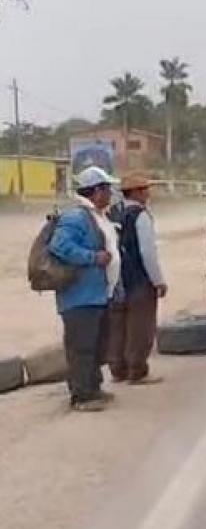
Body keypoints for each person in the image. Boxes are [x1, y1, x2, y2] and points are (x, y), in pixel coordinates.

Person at [48, 166, 120, 412]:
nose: (111, 193)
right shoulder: (76, 217)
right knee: (82, 347)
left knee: (97, 345)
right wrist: (92, 257)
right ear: (96, 191)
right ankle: (82, 395)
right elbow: (59, 246)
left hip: (97, 294)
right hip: (80, 296)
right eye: (107, 189)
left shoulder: (96, 215)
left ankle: (93, 387)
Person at [105, 172, 166, 385]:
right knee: (141, 326)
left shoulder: (112, 214)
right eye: (146, 189)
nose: (148, 193)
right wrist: (158, 280)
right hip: (138, 279)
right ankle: (137, 370)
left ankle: (117, 369)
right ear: (138, 192)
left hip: (114, 279)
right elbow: (147, 252)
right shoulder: (140, 215)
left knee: (117, 326)